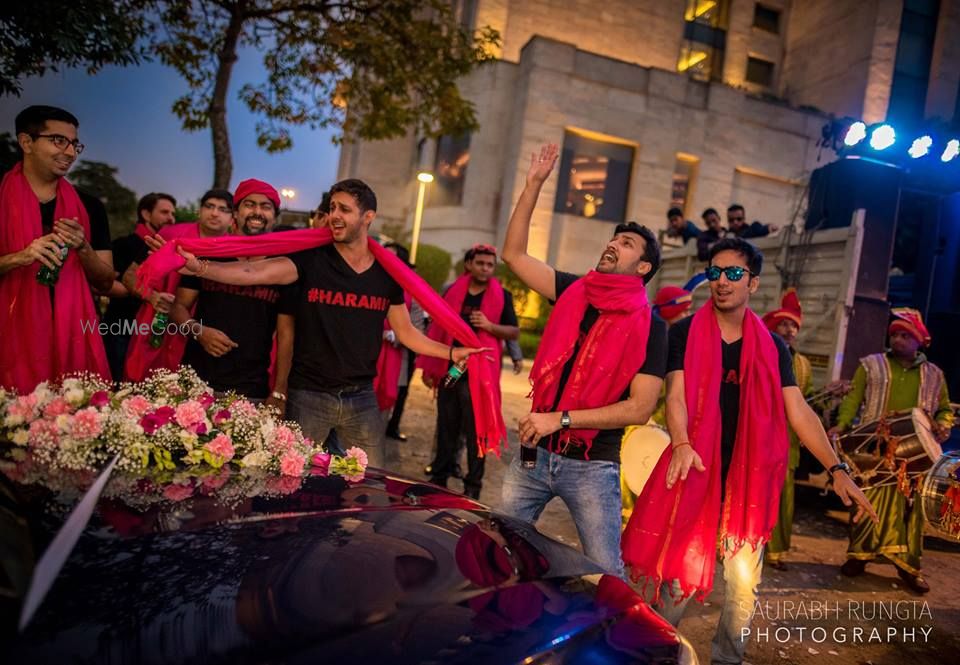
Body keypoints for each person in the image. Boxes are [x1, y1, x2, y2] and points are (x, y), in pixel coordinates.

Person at [622, 238, 876, 665]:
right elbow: (676, 397)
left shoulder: (772, 347)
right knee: (677, 589)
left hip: (747, 488)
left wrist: (836, 468)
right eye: (715, 272)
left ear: (753, 283)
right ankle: (654, 656)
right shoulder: (683, 332)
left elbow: (799, 413)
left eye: (734, 274)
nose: (722, 281)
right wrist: (681, 442)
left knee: (742, 589)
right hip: (695, 474)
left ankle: (727, 659)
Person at [170, 178, 490, 468]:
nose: (335, 214)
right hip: (308, 395)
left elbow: (406, 332)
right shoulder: (310, 260)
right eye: (332, 207)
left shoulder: (385, 273)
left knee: (368, 483)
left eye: (345, 209)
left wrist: (450, 354)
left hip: (361, 398)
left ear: (368, 217)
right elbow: (251, 273)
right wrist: (200, 267)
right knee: (293, 481)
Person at [499, 143, 667, 579]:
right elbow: (513, 255)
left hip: (591, 466)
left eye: (626, 243)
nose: (613, 244)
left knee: (608, 576)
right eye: (614, 238)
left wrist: (561, 419)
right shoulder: (575, 290)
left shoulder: (652, 326)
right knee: (497, 552)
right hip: (533, 455)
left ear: (643, 267)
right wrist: (534, 184)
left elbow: (640, 407)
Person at [831, 308, 953, 594]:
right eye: (894, 334)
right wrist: (842, 425)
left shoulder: (935, 375)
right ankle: (858, 557)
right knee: (867, 502)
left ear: (919, 341)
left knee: (910, 513)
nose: (897, 339)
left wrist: (943, 424)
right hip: (875, 449)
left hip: (913, 458)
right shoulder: (871, 365)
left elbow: (945, 409)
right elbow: (853, 400)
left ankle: (909, 567)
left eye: (904, 335)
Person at [0, 105, 113, 392]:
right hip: (10, 336)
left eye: (75, 144)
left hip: (72, 338)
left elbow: (106, 281)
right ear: (26, 142)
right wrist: (20, 257)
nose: (71, 152)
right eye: (58, 141)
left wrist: (84, 247)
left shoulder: (89, 207)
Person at [171, 181, 286, 405]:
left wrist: (279, 391)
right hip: (196, 379)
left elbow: (286, 334)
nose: (257, 212)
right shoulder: (209, 254)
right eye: (249, 205)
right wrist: (199, 331)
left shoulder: (284, 266)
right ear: (236, 212)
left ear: (275, 216)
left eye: (265, 206)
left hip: (250, 387)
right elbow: (177, 307)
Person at [419, 244, 519, 499]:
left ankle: (472, 486)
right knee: (446, 425)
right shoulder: (453, 291)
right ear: (470, 265)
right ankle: (440, 476)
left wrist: (489, 326)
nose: (485, 268)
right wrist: (432, 365)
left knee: (477, 430)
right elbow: (439, 325)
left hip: (481, 373)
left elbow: (513, 332)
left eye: (489, 264)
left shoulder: (503, 296)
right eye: (480, 263)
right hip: (452, 369)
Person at [124, 190, 233, 382]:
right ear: (199, 210)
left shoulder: (235, 249)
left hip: (206, 335)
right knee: (141, 387)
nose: (215, 213)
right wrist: (153, 297)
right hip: (157, 323)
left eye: (223, 209)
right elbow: (130, 276)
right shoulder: (170, 234)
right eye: (209, 206)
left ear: (233, 218)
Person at [101, 192, 182, 381]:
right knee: (118, 385)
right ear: (146, 214)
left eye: (173, 213)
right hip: (121, 326)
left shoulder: (170, 248)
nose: (171, 218)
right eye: (164, 212)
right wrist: (140, 291)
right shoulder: (123, 245)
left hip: (153, 331)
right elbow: (103, 283)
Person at [762, 290, 813, 571]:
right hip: (757, 438)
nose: (790, 330)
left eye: (794, 325)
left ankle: (775, 552)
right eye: (784, 324)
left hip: (788, 445)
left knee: (783, 499)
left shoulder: (803, 364)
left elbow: (808, 401)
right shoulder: (760, 352)